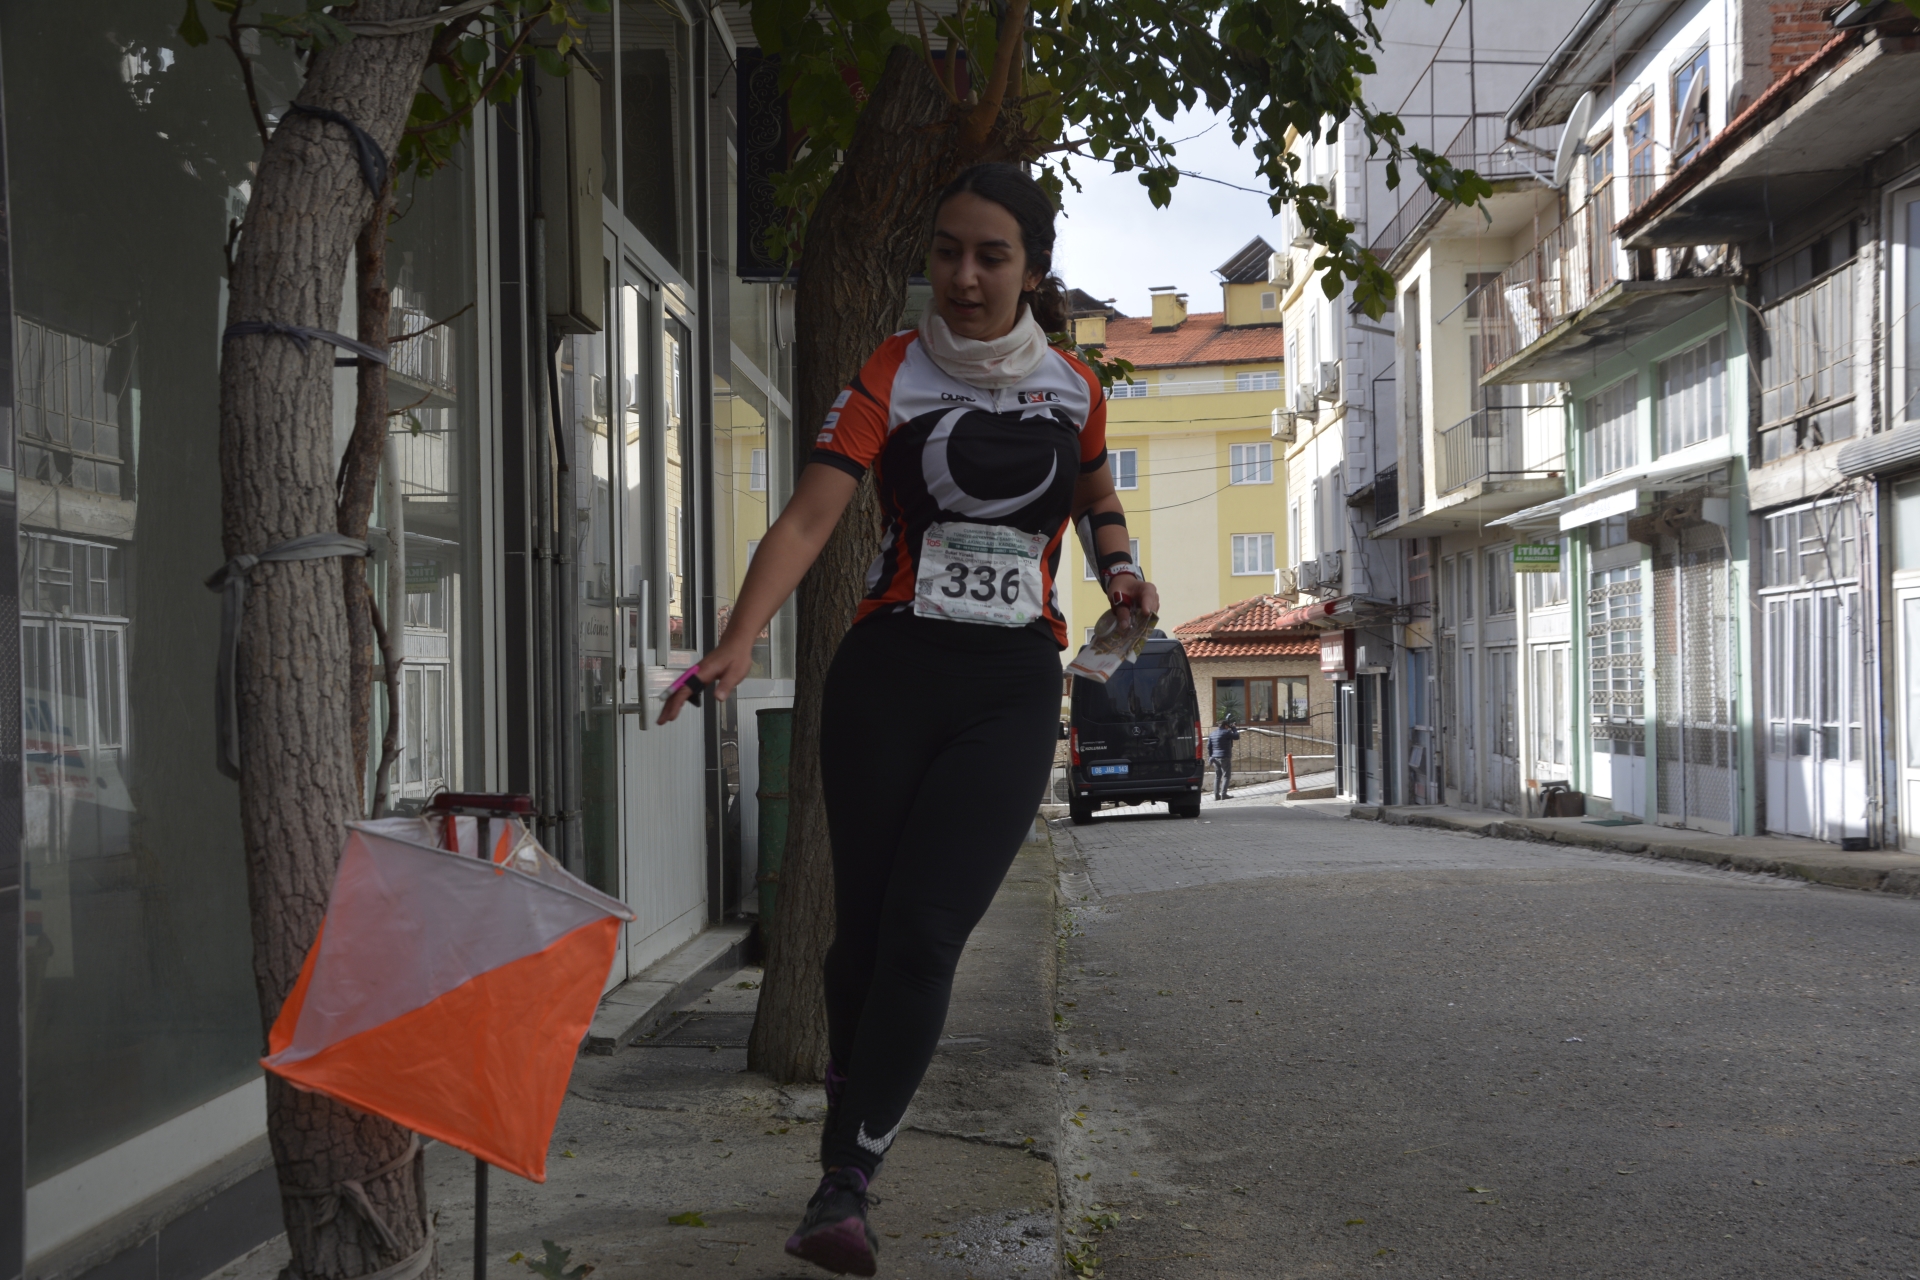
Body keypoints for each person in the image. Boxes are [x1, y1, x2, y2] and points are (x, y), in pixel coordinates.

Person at [657, 162, 1157, 1277]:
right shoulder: (894, 369)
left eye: (991, 256)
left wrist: (1120, 570)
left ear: (1033, 271)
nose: (964, 276)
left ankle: (847, 1176)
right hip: (888, 674)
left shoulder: (1075, 386)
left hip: (1011, 685)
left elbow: (1094, 496)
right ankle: (853, 1112)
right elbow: (808, 518)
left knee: (929, 934)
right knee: (867, 939)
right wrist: (737, 639)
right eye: (947, 251)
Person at [1208, 714, 1241, 800]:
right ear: (1225, 726)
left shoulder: (1212, 734)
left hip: (1214, 757)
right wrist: (1234, 728)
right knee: (1226, 776)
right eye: (1228, 726)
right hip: (1224, 757)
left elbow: (1209, 746)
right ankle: (1224, 794)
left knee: (1217, 776)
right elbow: (1237, 736)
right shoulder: (1227, 732)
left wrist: (1211, 756)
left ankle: (1216, 795)